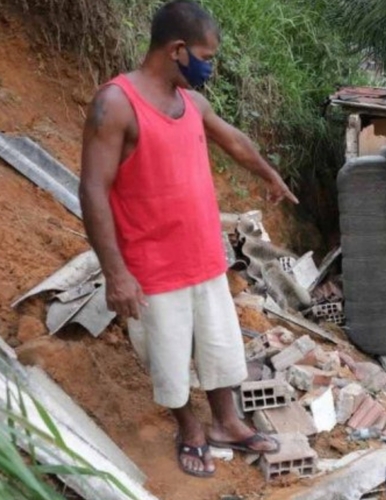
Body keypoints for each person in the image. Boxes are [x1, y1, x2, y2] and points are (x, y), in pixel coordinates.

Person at [79, 0, 298, 478]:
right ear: (178, 50)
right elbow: (92, 190)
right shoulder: (115, 103)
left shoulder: (191, 102)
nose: (210, 66)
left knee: (220, 350)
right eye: (207, 55)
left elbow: (234, 140)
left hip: (204, 258)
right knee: (170, 360)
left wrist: (270, 175)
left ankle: (226, 424)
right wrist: (116, 274)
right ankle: (191, 430)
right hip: (152, 269)